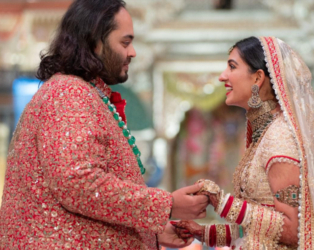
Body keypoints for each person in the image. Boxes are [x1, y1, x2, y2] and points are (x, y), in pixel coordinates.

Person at [0, 0, 209, 249]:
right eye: (125, 42)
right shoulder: (69, 93)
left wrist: (148, 231)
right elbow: (77, 183)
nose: (132, 52)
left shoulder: (85, 93)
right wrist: (166, 205)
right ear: (95, 42)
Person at [173, 36, 314, 249]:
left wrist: (223, 203)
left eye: (232, 67)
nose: (222, 76)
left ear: (257, 78)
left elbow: (293, 231)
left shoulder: (280, 139)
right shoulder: (265, 134)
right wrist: (204, 232)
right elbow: (261, 227)